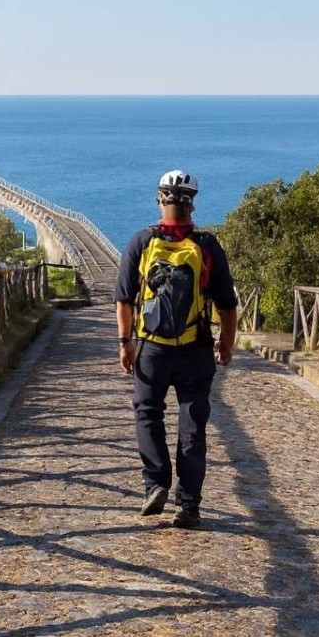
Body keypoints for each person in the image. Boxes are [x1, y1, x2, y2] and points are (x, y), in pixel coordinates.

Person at [114, 169, 238, 529]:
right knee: (193, 426)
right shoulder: (207, 245)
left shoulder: (141, 241)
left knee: (147, 414)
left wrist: (125, 344)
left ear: (159, 200)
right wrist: (226, 343)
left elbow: (123, 299)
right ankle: (189, 504)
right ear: (192, 203)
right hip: (196, 350)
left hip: (152, 348)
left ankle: (155, 483)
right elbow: (227, 304)